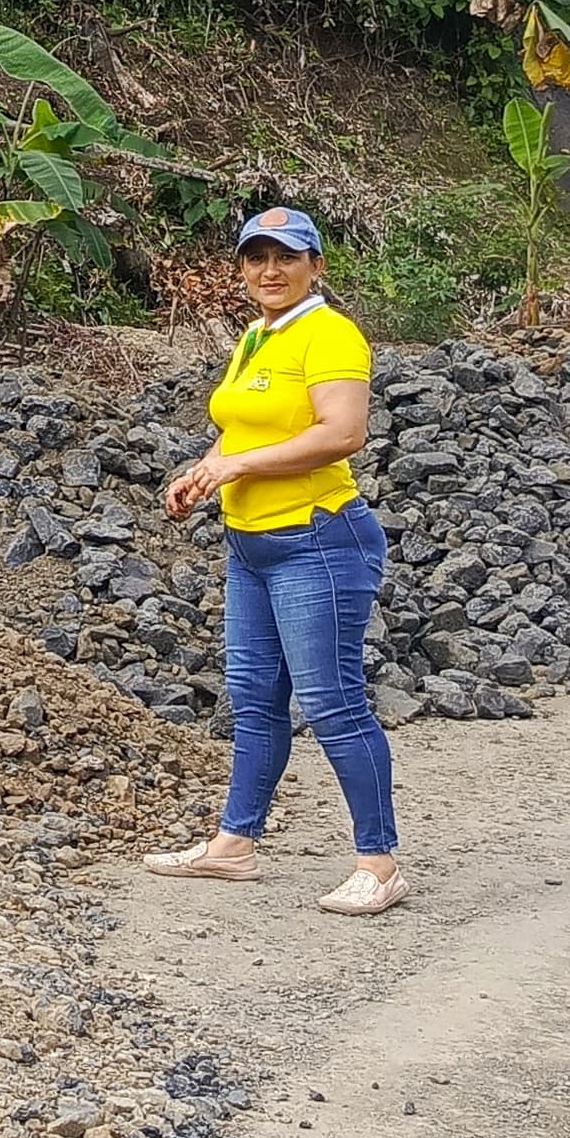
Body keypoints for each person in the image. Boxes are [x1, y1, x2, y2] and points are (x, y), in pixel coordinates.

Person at [144, 203, 403, 916]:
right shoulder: (258, 336)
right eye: (256, 257)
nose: (270, 270)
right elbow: (240, 430)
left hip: (317, 541)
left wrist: (237, 466)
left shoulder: (329, 333)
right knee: (255, 700)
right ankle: (234, 845)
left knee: (332, 701)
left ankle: (378, 863)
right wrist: (203, 471)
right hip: (250, 546)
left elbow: (343, 433)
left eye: (286, 257)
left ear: (316, 265)